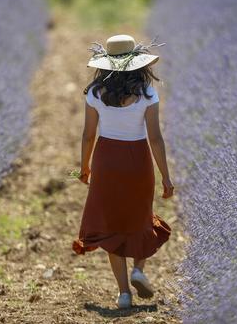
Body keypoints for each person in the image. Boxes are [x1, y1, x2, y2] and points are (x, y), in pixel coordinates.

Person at [71, 34, 175, 309]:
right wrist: (166, 176)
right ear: (138, 64)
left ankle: (124, 293)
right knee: (141, 218)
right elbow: (155, 139)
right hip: (138, 160)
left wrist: (84, 167)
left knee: (111, 225)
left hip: (106, 161)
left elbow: (87, 135)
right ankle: (139, 270)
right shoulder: (148, 93)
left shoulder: (95, 93)